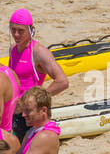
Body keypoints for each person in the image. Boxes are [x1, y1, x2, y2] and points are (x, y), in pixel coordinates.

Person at [6, 10, 69, 141]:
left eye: (21, 31)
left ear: (31, 30)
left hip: (31, 115)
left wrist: (36, 100)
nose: (16, 35)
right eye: (13, 30)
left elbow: (62, 82)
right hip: (14, 111)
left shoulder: (39, 52)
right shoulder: (12, 49)